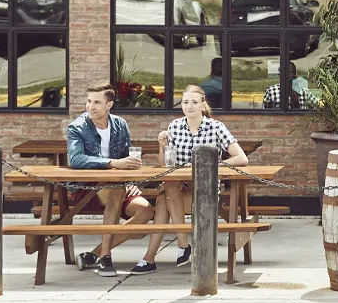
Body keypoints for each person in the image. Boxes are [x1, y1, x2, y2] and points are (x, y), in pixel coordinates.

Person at [140, 83, 247, 270]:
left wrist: (210, 165)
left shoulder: (216, 127)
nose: (189, 106)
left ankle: (151, 258)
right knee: (168, 190)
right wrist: (161, 146)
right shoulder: (175, 126)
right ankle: (181, 246)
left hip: (205, 191)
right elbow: (166, 165)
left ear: (202, 104)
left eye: (194, 102)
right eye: (185, 102)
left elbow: (241, 158)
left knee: (164, 199)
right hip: (179, 187)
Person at [64, 81, 153, 276]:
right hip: (87, 189)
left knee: (145, 211)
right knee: (117, 189)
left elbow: (127, 158)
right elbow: (77, 159)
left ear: (109, 105)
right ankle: (106, 257)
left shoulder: (120, 125)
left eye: (96, 102)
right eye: (88, 101)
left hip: (118, 185)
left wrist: (130, 181)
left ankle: (94, 255)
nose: (90, 107)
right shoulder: (77, 127)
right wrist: (113, 163)